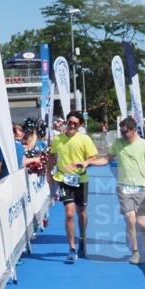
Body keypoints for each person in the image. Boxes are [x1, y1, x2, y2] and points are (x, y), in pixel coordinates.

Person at [83, 116, 145, 264]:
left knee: (142, 222)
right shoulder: (118, 144)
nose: (122, 134)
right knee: (130, 220)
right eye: (121, 131)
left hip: (141, 188)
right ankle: (135, 252)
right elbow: (106, 159)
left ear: (133, 130)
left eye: (125, 132)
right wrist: (88, 163)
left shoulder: (144, 145)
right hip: (123, 187)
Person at [47, 111, 97, 262]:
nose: (72, 125)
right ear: (66, 123)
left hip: (81, 179)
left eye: (75, 123)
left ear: (80, 125)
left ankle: (82, 238)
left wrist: (86, 163)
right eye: (70, 122)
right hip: (64, 179)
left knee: (81, 212)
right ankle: (72, 248)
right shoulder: (58, 139)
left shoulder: (84, 139)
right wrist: (49, 174)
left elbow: (94, 157)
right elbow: (51, 156)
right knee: (69, 213)